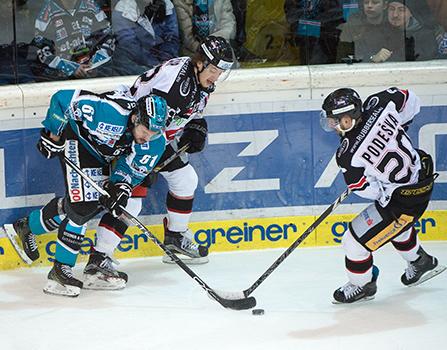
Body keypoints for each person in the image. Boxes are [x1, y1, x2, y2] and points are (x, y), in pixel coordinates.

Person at [81, 35, 234, 290]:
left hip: (155, 139)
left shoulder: (199, 81)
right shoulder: (175, 81)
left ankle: (174, 238)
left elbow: (186, 113)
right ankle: (97, 261)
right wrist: (146, 161)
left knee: (186, 180)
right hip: (133, 136)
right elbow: (146, 117)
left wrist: (197, 124)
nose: (216, 77)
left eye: (220, 72)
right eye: (214, 70)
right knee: (130, 202)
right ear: (200, 63)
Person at [4, 89, 168, 297]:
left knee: (93, 204)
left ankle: (29, 226)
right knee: (82, 206)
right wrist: (54, 136)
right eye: (145, 130)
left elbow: (132, 170)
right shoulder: (110, 113)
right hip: (77, 140)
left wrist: (120, 187)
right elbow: (62, 99)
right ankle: (60, 270)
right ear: (135, 118)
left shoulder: (154, 141)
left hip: (104, 155)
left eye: (154, 132)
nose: (148, 137)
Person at [320, 87, 446, 304]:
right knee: (394, 227)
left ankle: (363, 285)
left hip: (403, 202)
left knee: (353, 243)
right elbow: (411, 100)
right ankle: (420, 262)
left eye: (335, 120)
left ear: (349, 118)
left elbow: (364, 189)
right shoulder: (380, 103)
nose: (332, 125)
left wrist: (382, 187)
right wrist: (396, 127)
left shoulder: (348, 154)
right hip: (422, 179)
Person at [28, 0, 116, 82]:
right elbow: (39, 48)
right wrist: (71, 68)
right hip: (61, 80)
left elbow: (108, 36)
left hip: (95, 75)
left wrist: (95, 64)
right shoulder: (48, 9)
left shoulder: (90, 5)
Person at [111, 0, 180, 75]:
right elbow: (129, 45)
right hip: (132, 63)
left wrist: (165, 60)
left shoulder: (167, 6)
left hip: (162, 61)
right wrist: (155, 64)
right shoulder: (123, 9)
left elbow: (172, 37)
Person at [284, 0, 345, 64]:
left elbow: (337, 15)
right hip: (304, 43)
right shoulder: (295, 2)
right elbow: (290, 17)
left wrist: (314, 23)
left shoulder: (331, 2)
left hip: (324, 44)